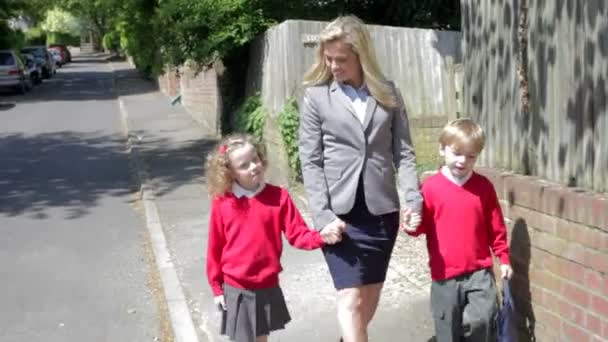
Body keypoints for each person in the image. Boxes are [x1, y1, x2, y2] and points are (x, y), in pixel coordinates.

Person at [299, 15, 423, 342]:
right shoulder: (316, 97)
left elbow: (405, 153)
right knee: (350, 299)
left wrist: (413, 200)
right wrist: (323, 216)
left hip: (381, 212)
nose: (334, 66)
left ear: (361, 56)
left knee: (368, 299)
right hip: (338, 217)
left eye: (341, 59)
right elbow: (310, 161)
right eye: (328, 59)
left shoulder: (388, 93)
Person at [205, 133, 343, 342]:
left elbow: (298, 234)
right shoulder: (223, 202)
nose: (253, 167)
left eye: (255, 160)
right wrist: (216, 287)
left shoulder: (279, 197)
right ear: (230, 173)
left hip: (266, 283)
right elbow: (215, 247)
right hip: (236, 285)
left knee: (261, 339)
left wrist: (322, 237)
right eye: (244, 166)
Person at [402, 118, 514, 342]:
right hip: (444, 276)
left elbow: (496, 227)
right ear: (442, 149)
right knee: (448, 331)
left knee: (483, 321)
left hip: (479, 272)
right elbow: (419, 226)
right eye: (457, 153)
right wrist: (410, 224)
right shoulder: (431, 188)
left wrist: (503, 258)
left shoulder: (483, 187)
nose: (463, 161)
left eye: (471, 156)